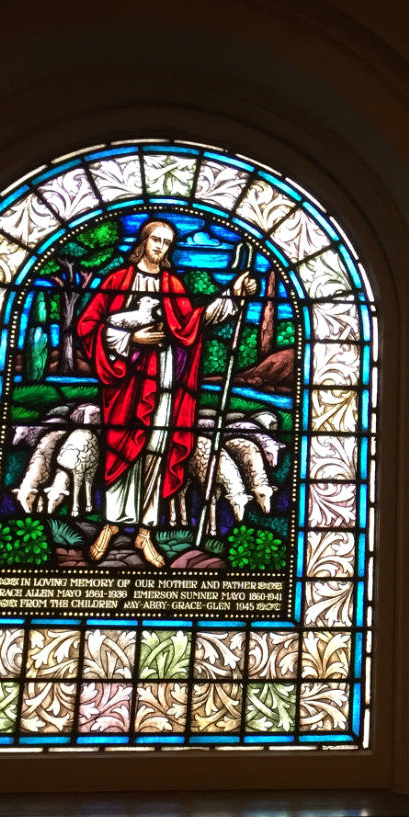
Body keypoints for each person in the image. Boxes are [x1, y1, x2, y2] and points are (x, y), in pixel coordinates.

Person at [75, 218, 257, 568]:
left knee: (156, 449)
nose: (161, 247)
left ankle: (145, 532)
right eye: (155, 239)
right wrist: (132, 339)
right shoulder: (116, 282)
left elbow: (193, 324)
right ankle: (111, 525)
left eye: (167, 242)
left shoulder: (173, 285)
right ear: (143, 241)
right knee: (121, 452)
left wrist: (233, 293)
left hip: (167, 380)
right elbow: (88, 328)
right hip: (126, 383)